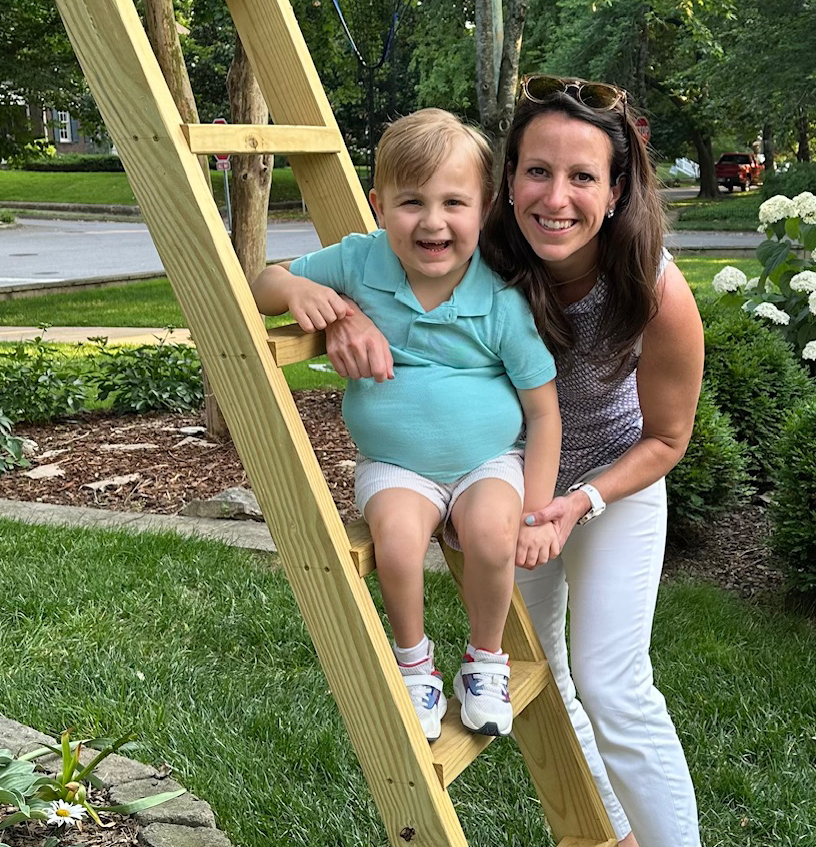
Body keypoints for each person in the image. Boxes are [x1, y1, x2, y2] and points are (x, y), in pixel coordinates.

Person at [324, 78, 705, 847]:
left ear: (617, 187)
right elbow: (385, 274)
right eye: (537, 171)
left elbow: (666, 439)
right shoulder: (475, 248)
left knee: (611, 684)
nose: (555, 197)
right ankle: (613, 836)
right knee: (546, 683)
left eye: (582, 176)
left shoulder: (652, 286)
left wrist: (577, 503)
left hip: (611, 483)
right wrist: (346, 312)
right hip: (500, 480)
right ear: (507, 180)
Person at [250, 108, 562, 742]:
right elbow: (261, 280)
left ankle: (485, 661)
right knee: (395, 545)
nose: (432, 221)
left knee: (492, 538)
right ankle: (414, 663)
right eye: (411, 202)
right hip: (396, 467)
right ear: (379, 204)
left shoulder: (501, 298)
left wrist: (536, 510)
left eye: (454, 202)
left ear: (484, 208)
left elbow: (543, 410)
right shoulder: (361, 263)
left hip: (488, 462)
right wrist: (301, 296)